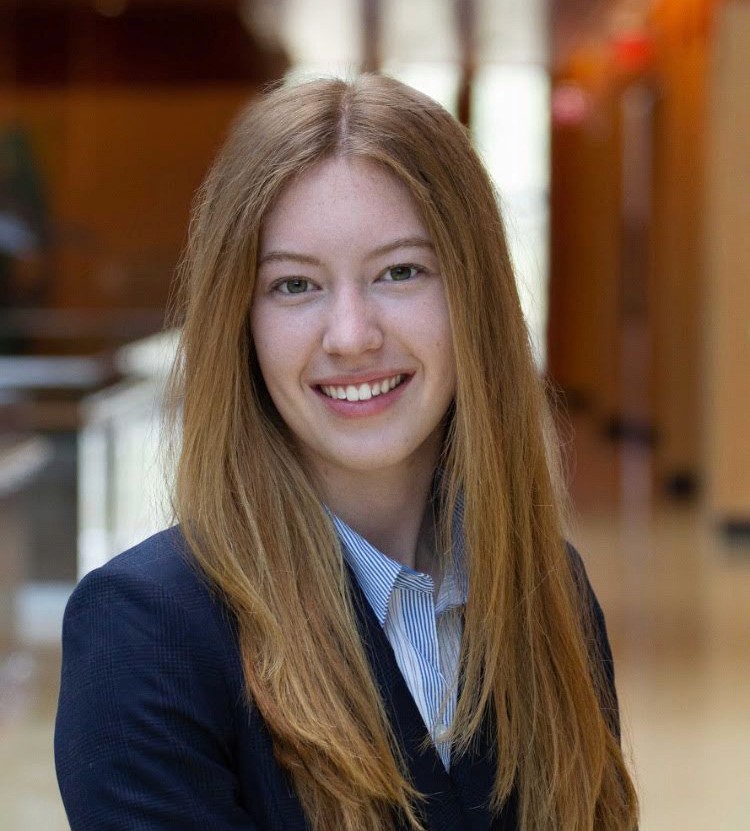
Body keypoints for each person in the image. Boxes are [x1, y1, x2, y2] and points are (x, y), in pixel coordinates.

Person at [54, 75, 638, 831]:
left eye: (400, 271)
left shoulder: (549, 590)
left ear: (475, 298)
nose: (353, 334)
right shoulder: (146, 633)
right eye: (295, 285)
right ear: (242, 324)